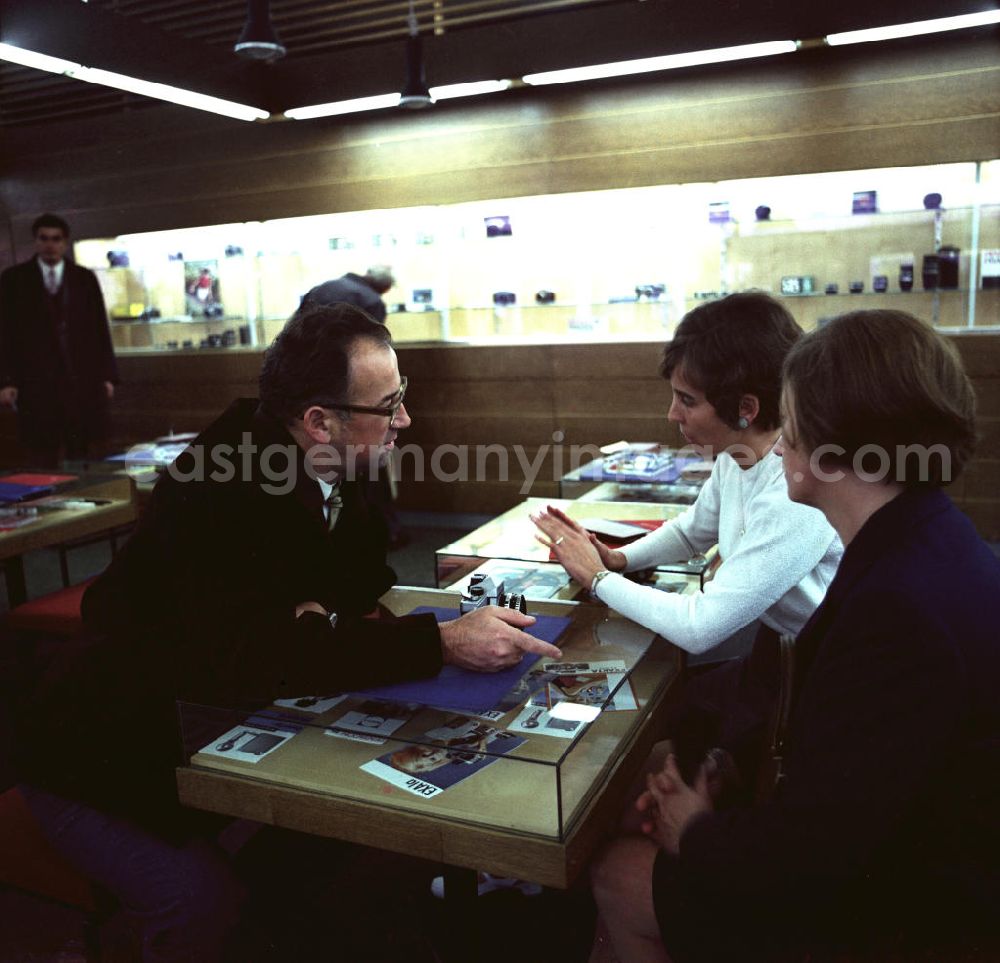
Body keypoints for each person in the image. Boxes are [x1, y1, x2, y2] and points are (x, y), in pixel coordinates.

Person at [12, 302, 560, 962]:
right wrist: (438, 640)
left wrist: (312, 617)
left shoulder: (328, 458)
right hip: (92, 760)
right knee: (204, 904)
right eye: (388, 406)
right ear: (319, 420)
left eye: (402, 397)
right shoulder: (223, 483)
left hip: (195, 718)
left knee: (319, 854)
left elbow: (357, 579)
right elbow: (268, 654)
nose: (406, 421)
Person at [590, 309, 1000, 962]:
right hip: (905, 860)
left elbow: (812, 855)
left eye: (794, 423)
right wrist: (733, 768)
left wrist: (695, 828)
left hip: (914, 919)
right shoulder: (920, 543)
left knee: (618, 874)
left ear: (844, 443)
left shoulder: (898, 613)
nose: (778, 444)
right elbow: (845, 765)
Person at [532, 292, 842, 658]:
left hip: (824, 662)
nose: (672, 415)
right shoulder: (736, 455)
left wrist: (596, 578)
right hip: (778, 641)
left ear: (746, 408)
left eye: (687, 401)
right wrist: (620, 559)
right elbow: (691, 531)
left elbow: (699, 627)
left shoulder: (795, 492)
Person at [0, 213, 119, 466]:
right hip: (35, 379)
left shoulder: (83, 278)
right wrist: (6, 381)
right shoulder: (14, 280)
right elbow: (4, 333)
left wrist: (107, 375)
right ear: (35, 241)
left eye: (56, 239)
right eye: (44, 239)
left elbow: (99, 327)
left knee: (81, 447)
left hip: (79, 377)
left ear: (65, 243)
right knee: (41, 449)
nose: (50, 245)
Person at [302, 264, 394, 323]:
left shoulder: (322, 288)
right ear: (384, 287)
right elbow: (374, 340)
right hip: (344, 352)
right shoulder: (373, 301)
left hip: (308, 349)